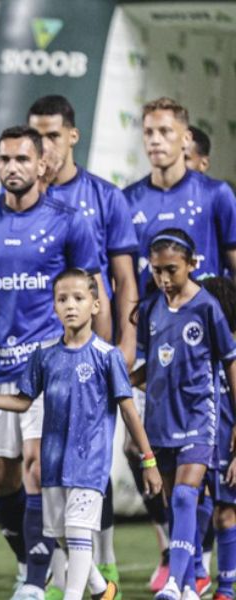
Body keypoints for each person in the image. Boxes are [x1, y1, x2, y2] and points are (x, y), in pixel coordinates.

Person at [0, 268, 161, 599]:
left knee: (77, 532)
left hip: (89, 464)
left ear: (96, 306)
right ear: (53, 307)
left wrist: (148, 460)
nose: (70, 305)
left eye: (79, 298)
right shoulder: (44, 356)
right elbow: (22, 400)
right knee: (59, 535)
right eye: (62, 299)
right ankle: (102, 589)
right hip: (53, 464)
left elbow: (129, 410)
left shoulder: (107, 356)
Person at [0, 126, 102, 599]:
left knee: (36, 467)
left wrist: (94, 356)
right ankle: (38, 560)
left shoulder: (69, 221)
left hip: (49, 367)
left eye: (22, 159)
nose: (12, 167)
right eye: (5, 159)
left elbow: (92, 292)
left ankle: (32, 582)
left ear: (41, 165)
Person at [28, 95, 142, 591]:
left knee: (91, 459)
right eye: (36, 137)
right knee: (37, 469)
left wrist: (125, 343)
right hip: (42, 354)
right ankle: (77, 574)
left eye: (52, 135)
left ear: (72, 135)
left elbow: (124, 279)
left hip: (94, 354)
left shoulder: (103, 198)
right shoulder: (23, 203)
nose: (44, 147)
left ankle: (103, 562)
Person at [130, 230, 236, 600]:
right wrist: (120, 384)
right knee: (175, 503)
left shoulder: (208, 307)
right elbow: (152, 368)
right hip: (161, 420)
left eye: (172, 270)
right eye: (157, 271)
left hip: (198, 418)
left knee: (185, 498)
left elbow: (230, 361)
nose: (164, 279)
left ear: (191, 265)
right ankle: (190, 584)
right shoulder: (150, 309)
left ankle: (175, 583)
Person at [124, 98, 236, 290]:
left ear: (186, 138)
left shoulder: (216, 194)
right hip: (146, 318)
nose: (155, 140)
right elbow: (121, 279)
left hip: (203, 319)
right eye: (148, 132)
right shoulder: (126, 200)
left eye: (165, 131)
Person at [200, 276, 236, 600]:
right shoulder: (197, 352)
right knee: (194, 504)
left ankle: (225, 588)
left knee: (226, 514)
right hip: (198, 444)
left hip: (228, 448)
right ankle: (195, 574)